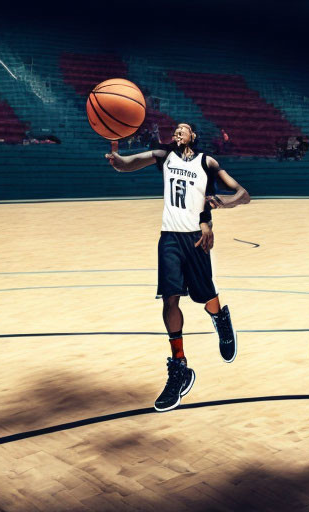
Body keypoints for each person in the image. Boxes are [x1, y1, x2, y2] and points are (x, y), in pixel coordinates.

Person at [105, 122, 250, 412]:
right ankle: (179, 365)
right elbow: (130, 164)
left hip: (197, 238)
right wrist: (118, 160)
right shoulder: (164, 156)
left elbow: (243, 194)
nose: (177, 132)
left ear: (193, 136)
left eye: (183, 129)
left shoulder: (207, 162)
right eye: (175, 130)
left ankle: (221, 317)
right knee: (170, 298)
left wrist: (225, 202)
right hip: (170, 237)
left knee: (206, 297)